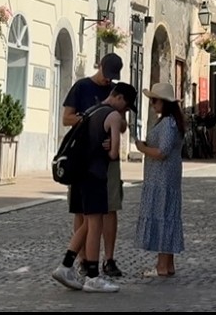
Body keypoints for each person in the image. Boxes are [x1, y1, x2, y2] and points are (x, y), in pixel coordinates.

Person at [52, 81, 137, 293]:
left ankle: (66, 265)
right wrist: (109, 145)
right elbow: (114, 153)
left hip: (79, 175)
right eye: (126, 106)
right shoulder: (113, 116)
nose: (125, 111)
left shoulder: (90, 111)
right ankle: (92, 276)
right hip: (96, 175)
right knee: (95, 225)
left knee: (87, 224)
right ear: (118, 98)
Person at [60, 53, 124, 278]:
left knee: (110, 206)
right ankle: (83, 260)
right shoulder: (82, 87)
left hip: (106, 159)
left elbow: (121, 125)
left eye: (112, 77)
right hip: (83, 157)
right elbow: (66, 118)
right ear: (100, 67)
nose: (108, 80)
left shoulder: (115, 92)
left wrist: (112, 133)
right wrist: (89, 119)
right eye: (107, 75)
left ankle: (109, 258)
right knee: (81, 210)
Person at [134, 81, 186, 278]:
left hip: (162, 178)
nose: (152, 104)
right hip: (165, 178)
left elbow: (162, 151)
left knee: (163, 217)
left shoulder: (168, 123)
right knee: (168, 217)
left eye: (155, 100)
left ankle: (162, 265)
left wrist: (142, 149)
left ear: (164, 102)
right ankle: (167, 263)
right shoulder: (171, 121)